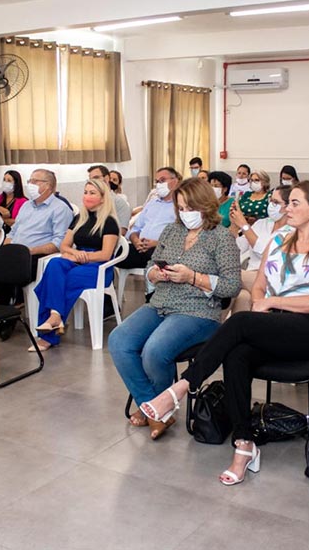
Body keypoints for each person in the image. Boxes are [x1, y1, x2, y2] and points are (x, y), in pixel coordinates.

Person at [141, 181, 309, 482]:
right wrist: (265, 301)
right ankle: (244, 444)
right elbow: (259, 283)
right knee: (236, 354)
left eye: (295, 203)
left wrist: (271, 302)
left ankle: (182, 387)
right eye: (288, 203)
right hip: (274, 323)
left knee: (239, 322)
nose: (287, 208)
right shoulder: (280, 238)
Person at [109, 178, 242, 440]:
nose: (185, 214)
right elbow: (150, 267)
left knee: (155, 350)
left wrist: (192, 277)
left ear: (206, 206)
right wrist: (154, 275)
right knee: (119, 340)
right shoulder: (172, 231)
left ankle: (154, 409)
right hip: (161, 302)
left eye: (190, 208)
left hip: (199, 311)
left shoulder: (221, 238)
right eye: (180, 208)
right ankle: (155, 409)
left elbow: (232, 286)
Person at [0, 169, 73, 339]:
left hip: (36, 255)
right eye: (30, 180)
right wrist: (5, 249)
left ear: (48, 186)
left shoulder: (60, 209)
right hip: (13, 252)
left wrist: (28, 251)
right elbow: (12, 233)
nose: (30, 184)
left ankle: (8, 316)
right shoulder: (27, 206)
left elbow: (59, 243)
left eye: (36, 181)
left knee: (6, 271)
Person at [33, 179, 120, 351]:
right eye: (86, 192)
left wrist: (83, 257)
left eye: (92, 193)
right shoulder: (79, 218)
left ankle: (48, 335)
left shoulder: (109, 222)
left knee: (62, 280)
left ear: (103, 198)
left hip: (98, 266)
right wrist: (74, 255)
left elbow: (106, 254)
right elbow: (64, 246)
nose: (87, 196)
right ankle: (55, 316)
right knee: (54, 265)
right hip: (78, 259)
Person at [231, 185, 291, 313]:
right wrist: (235, 225)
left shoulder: (293, 230)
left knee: (228, 278)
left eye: (276, 202)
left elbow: (267, 253)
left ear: (288, 206)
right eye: (270, 200)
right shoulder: (262, 223)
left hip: (271, 278)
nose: (271, 205)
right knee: (242, 296)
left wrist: (244, 225)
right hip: (250, 275)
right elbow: (239, 247)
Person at [119, 167, 181, 269]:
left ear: (175, 181)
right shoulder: (152, 203)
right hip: (139, 247)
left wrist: (156, 243)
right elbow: (135, 228)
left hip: (162, 249)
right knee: (114, 253)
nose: (159, 185)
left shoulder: (180, 206)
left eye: (162, 180)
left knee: (157, 258)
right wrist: (136, 241)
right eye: (157, 182)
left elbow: (182, 237)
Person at [88, 164, 130, 234]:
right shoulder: (90, 202)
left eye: (96, 178)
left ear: (107, 178)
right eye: (90, 180)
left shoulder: (119, 203)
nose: (93, 182)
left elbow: (121, 232)